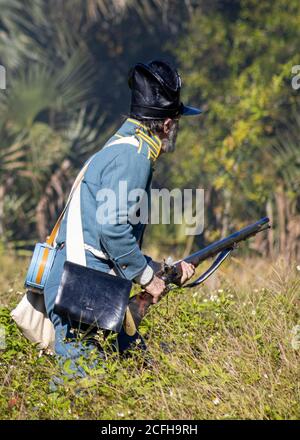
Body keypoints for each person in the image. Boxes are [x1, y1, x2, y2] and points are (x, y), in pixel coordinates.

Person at [43, 60, 202, 371]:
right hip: (83, 291)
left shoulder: (123, 147)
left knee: (139, 370)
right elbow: (113, 230)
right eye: (177, 123)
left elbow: (108, 237)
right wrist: (147, 279)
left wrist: (158, 268)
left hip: (87, 286)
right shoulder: (134, 156)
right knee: (81, 392)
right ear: (167, 125)